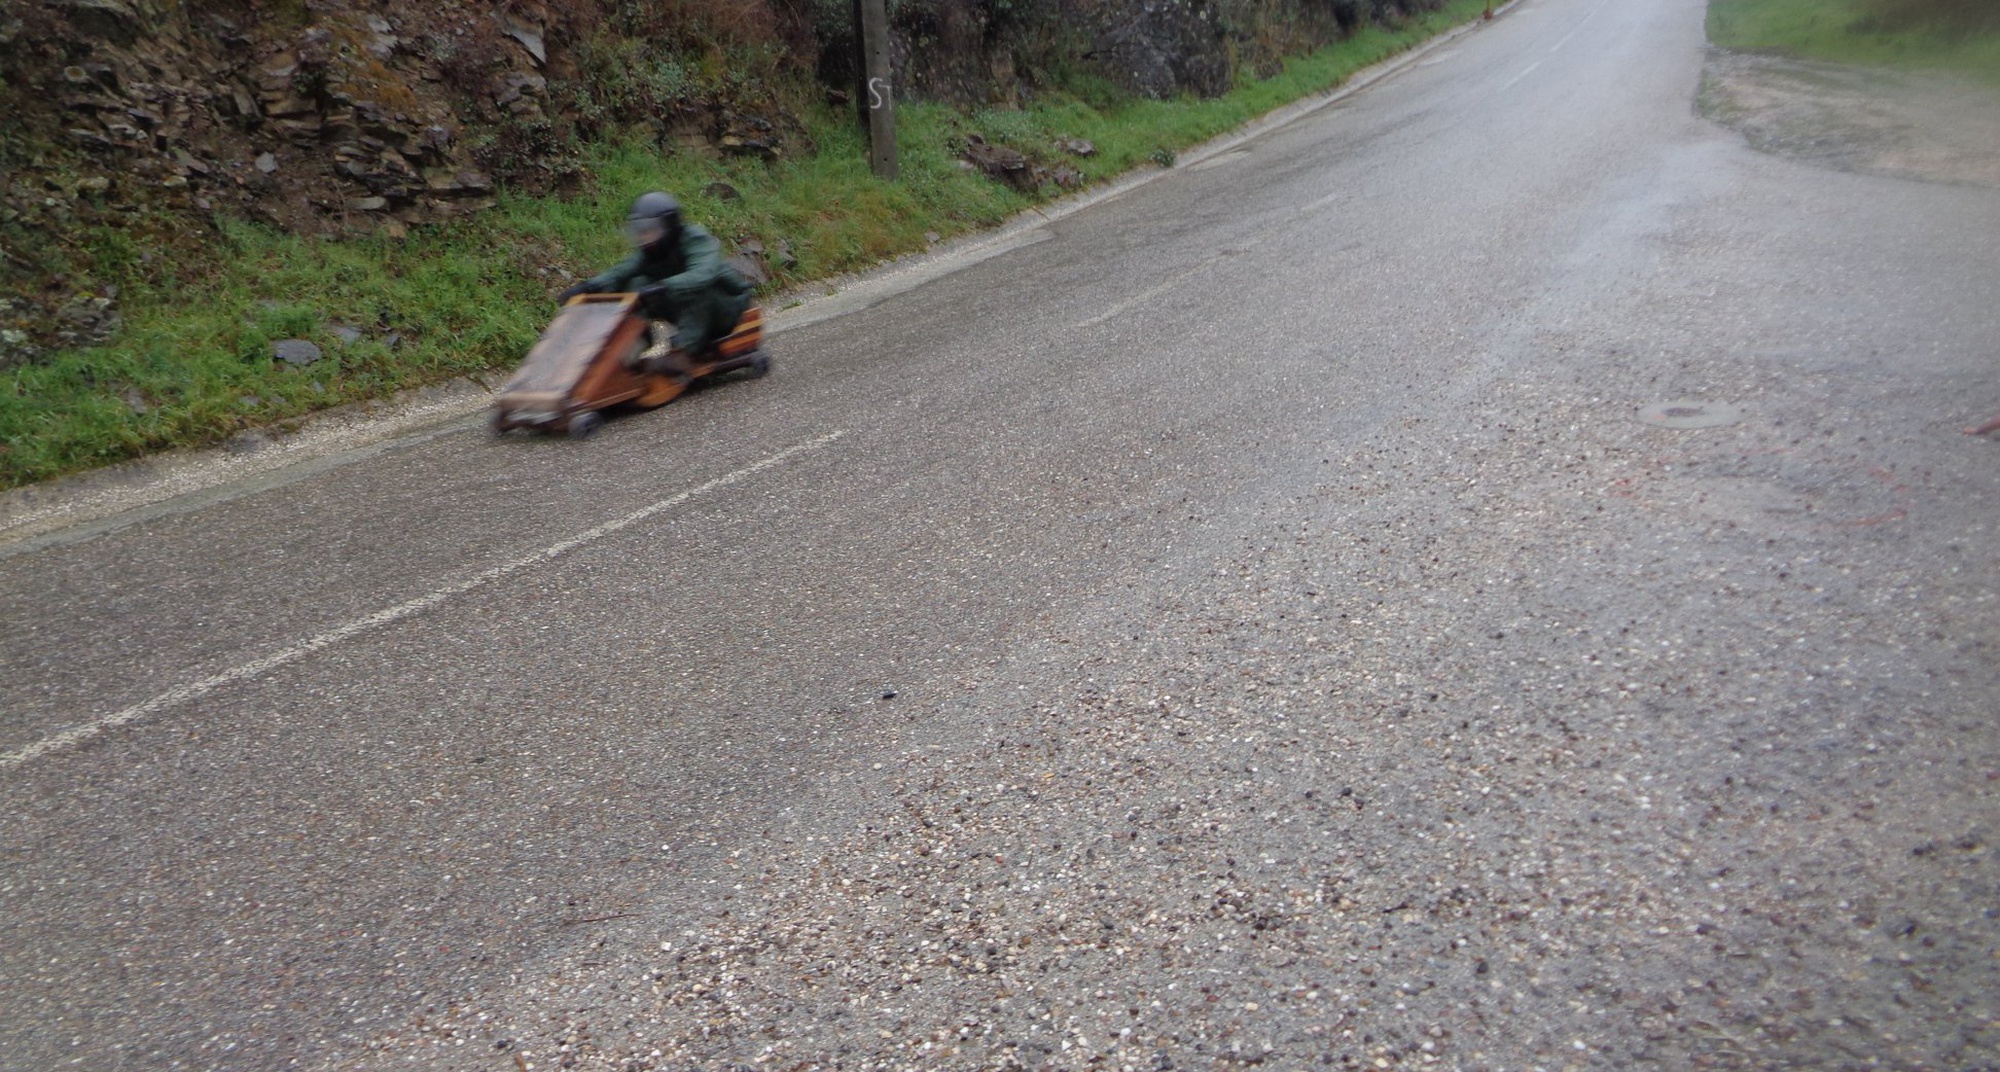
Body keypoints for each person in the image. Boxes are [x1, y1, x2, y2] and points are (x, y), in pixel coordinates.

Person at [558, 191, 752, 373]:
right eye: (640, 231)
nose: (644, 237)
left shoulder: (696, 239)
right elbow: (623, 270)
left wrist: (662, 287)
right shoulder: (651, 250)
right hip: (686, 308)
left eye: (650, 230)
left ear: (669, 226)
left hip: (726, 307)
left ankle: (682, 353)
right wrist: (589, 288)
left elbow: (703, 273)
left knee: (695, 290)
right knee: (634, 285)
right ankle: (632, 348)